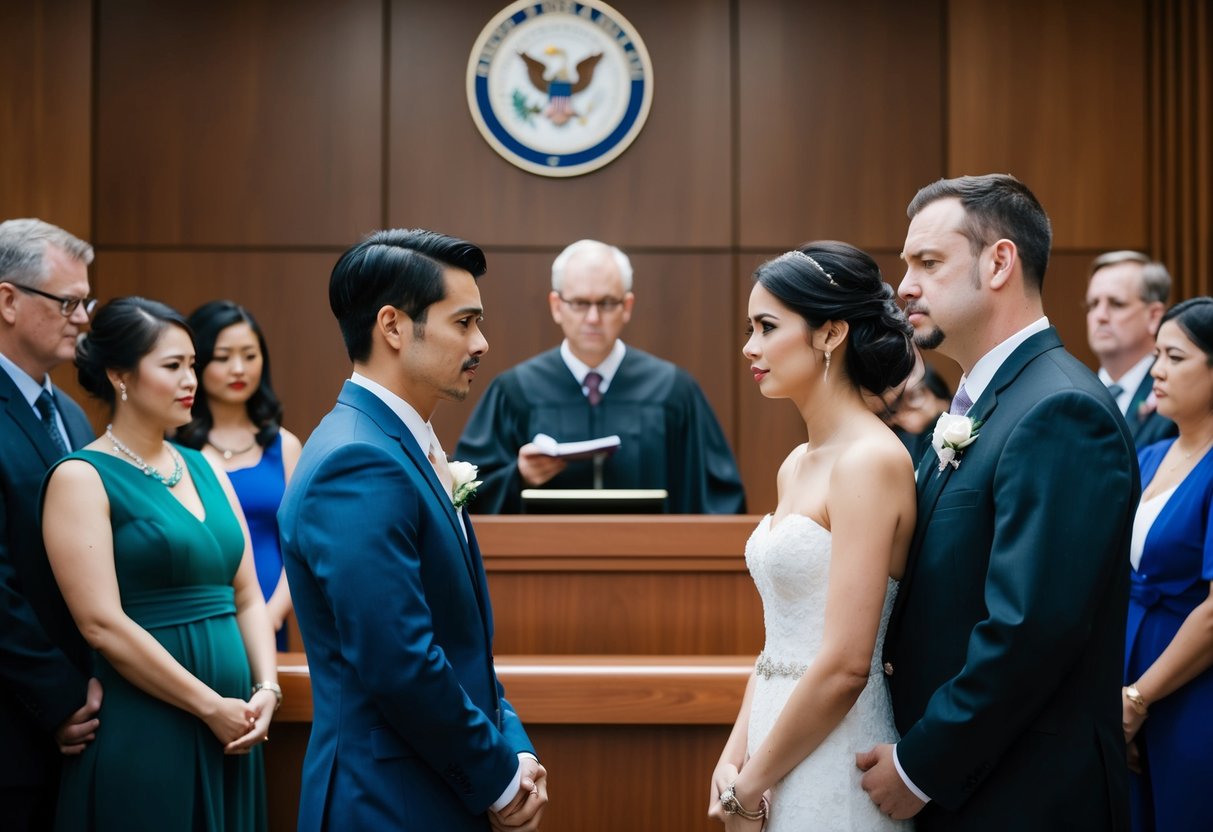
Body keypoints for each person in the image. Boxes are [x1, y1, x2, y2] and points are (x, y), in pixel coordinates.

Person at [861, 174, 1136, 830]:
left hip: (1027, 796)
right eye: (906, 265)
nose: (904, 285)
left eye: (927, 263)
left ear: (999, 262)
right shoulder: (983, 405)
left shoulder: (1059, 410)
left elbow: (1031, 627)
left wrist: (922, 764)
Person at [279, 229, 546, 831]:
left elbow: (460, 641)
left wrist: (513, 746)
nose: (483, 342)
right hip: (388, 800)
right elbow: (398, 661)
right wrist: (498, 779)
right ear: (394, 327)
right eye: (464, 322)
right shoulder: (358, 460)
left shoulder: (404, 444)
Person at [41, 297, 277, 830]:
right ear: (120, 375)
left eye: (192, 364)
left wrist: (266, 689)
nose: (190, 379)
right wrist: (208, 705)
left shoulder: (206, 466)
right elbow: (101, 624)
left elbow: (246, 594)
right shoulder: (81, 477)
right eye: (173, 366)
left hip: (235, 726)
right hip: (148, 719)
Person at [708, 242, 917, 830]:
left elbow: (849, 663)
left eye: (767, 327)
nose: (750, 346)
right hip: (773, 744)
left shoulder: (870, 461)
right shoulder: (796, 462)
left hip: (837, 746)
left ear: (830, 334)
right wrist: (734, 760)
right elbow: (780, 640)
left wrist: (749, 786)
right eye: (750, 328)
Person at [456, 239, 745, 513]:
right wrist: (517, 476)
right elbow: (465, 493)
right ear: (557, 306)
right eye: (580, 303)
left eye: (607, 303)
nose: (593, 318)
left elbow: (717, 499)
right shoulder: (515, 390)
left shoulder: (673, 390)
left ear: (627, 307)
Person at [0, 218, 103, 830]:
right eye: (68, 302)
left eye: (85, 302)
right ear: (8, 300)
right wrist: (60, 697)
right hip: (17, 722)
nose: (84, 317)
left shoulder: (68, 412)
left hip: (84, 717)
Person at [1121, 297, 1213, 832]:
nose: (1156, 369)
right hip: (1126, 683)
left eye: (1175, 357)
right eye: (1156, 354)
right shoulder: (1149, 457)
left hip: (1187, 688)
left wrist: (1139, 698)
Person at [176, 301, 302, 651]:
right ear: (197, 362)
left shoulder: (285, 446)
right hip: (193, 618)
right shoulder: (171, 446)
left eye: (249, 355)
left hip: (268, 612)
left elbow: (300, 546)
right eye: (222, 357)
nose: (238, 369)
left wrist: (272, 614)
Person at [1086, 250, 1176, 448]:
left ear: (1154, 316)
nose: (1099, 315)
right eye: (1093, 304)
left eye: (1116, 304)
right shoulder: (1075, 391)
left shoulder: (1175, 396)